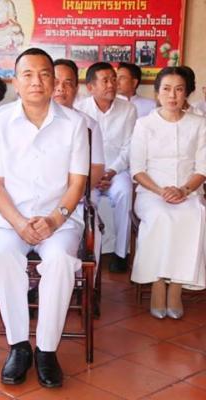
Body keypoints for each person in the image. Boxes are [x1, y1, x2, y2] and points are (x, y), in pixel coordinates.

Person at [0, 48, 89, 388]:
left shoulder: (75, 124)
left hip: (60, 218)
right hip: (9, 217)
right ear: (15, 82)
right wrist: (18, 223)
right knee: (4, 257)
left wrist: (54, 220)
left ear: (54, 81)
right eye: (27, 74)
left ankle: (46, 349)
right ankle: (18, 346)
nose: (36, 81)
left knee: (59, 261)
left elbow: (77, 183)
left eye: (44, 74)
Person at [130, 66, 206, 319]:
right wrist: (161, 191)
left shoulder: (199, 124)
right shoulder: (144, 124)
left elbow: (202, 167)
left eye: (179, 89)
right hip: (151, 192)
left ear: (187, 93)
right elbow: (137, 169)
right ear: (157, 92)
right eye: (166, 89)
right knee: (161, 217)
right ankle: (158, 283)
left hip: (188, 192)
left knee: (193, 216)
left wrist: (184, 190)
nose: (172, 95)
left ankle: (176, 287)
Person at [76, 62, 137, 273]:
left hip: (116, 170)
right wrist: (93, 174)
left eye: (114, 79)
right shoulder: (80, 110)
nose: (111, 84)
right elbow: (78, 148)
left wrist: (111, 171)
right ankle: (86, 252)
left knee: (125, 192)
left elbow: (129, 146)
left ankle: (121, 254)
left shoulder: (128, 109)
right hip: (88, 172)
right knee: (86, 198)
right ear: (90, 87)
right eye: (105, 80)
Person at [53, 59, 104, 187]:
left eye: (68, 83)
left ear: (76, 89)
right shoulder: (32, 119)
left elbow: (97, 167)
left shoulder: (89, 124)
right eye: (55, 82)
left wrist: (74, 194)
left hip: (76, 194)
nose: (60, 88)